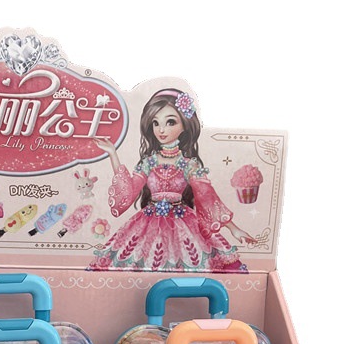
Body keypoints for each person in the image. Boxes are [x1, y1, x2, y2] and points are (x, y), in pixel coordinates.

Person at [87, 89, 255, 272]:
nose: (161, 130)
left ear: (185, 126)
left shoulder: (189, 164)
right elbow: (129, 192)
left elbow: (207, 197)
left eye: (170, 122)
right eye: (156, 123)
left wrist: (233, 228)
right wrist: (113, 154)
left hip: (184, 222)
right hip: (148, 223)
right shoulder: (148, 163)